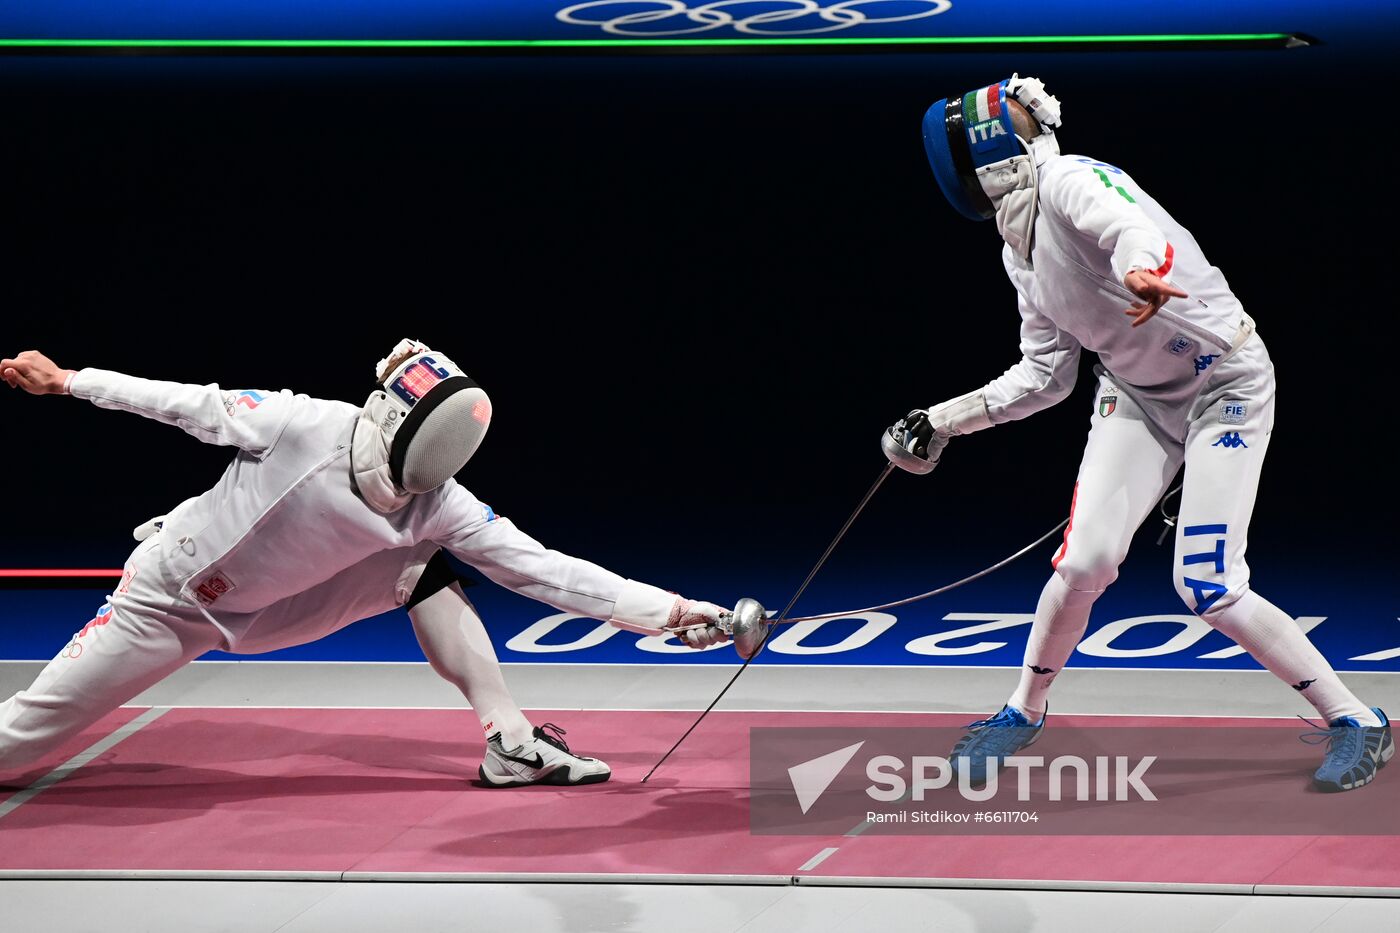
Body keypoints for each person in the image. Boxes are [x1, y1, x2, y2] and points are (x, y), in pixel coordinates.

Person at [883, 75, 1391, 792]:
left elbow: (1131, 227)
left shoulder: (1071, 180)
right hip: (1139, 394)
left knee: (1209, 583)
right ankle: (1022, 710)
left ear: (987, 159)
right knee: (1083, 563)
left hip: (1227, 385)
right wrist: (943, 420)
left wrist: (1140, 273)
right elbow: (1047, 376)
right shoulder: (1017, 252)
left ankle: (1358, 720)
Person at [0, 339, 734, 787]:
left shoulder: (438, 502)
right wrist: (69, 380)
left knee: (420, 566)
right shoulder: (300, 422)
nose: (422, 479)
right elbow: (183, 403)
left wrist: (669, 613)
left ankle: (510, 740)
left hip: (270, 610)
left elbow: (543, 569)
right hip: (167, 601)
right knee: (20, 739)